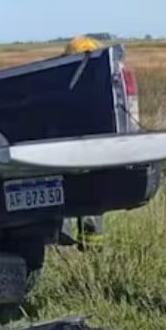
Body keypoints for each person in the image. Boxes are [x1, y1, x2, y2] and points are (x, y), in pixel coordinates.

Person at [61, 35, 105, 251]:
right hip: (89, 150)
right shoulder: (100, 80)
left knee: (65, 195)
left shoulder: (63, 80)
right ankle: (91, 247)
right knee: (89, 197)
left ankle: (67, 243)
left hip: (69, 150)